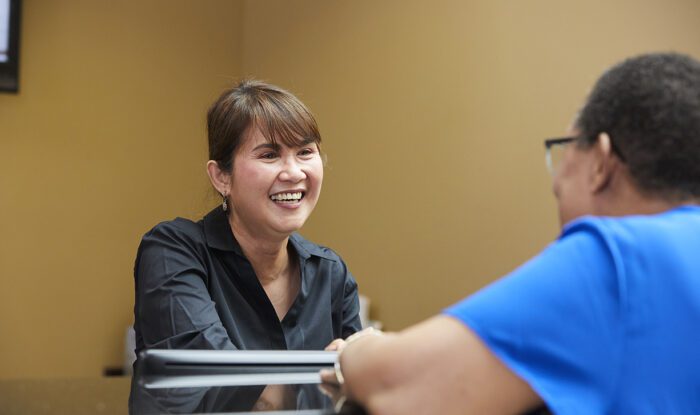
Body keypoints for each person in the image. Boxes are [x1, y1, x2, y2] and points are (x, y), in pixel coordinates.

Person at [322, 53, 700, 414]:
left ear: (600, 160)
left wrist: (360, 346)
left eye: (565, 147)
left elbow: (395, 387)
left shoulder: (619, 258)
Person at [132, 80, 362, 354]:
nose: (294, 173)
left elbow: (364, 389)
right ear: (221, 177)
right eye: (269, 154)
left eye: (305, 152)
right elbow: (213, 371)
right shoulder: (172, 251)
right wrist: (328, 368)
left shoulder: (330, 272)